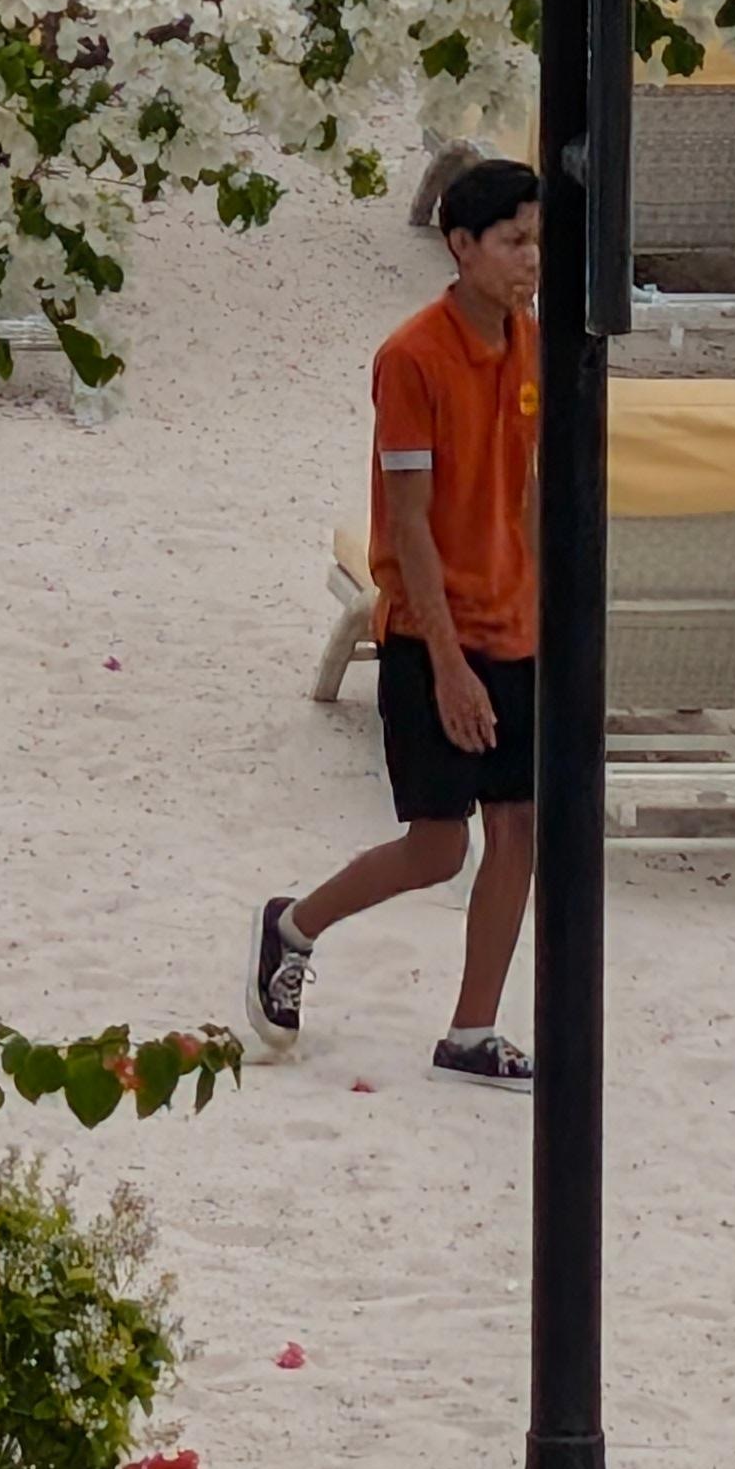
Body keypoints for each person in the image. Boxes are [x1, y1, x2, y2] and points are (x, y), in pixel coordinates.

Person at [253, 147, 541, 1085]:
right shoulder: (411, 357)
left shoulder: (532, 341)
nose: (530, 260)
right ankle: (292, 927)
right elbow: (409, 525)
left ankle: (470, 1030)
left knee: (517, 825)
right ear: (461, 245)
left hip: (515, 622)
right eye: (513, 242)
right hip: (429, 631)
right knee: (436, 846)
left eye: (538, 241)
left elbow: (527, 490)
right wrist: (450, 665)